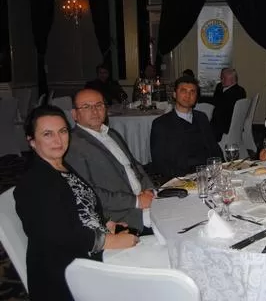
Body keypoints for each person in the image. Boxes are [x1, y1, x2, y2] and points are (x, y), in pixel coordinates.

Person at [14, 105, 138, 300]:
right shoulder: (32, 183)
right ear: (32, 141)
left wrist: (105, 224)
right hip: (67, 274)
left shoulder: (61, 167)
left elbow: (78, 207)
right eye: (47, 134)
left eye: (62, 131)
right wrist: (108, 241)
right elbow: (56, 235)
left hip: (87, 256)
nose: (58, 140)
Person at [65, 89, 155, 234]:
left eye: (99, 105)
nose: (94, 111)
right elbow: (89, 193)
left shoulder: (112, 133)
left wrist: (148, 189)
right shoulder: (73, 146)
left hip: (145, 200)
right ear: (75, 114)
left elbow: (135, 165)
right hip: (124, 217)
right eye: (86, 107)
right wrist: (136, 201)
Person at [151, 75, 223, 178]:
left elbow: (214, 148)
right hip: (180, 178)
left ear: (196, 97)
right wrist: (185, 178)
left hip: (208, 175)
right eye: (183, 91)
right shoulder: (161, 124)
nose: (188, 95)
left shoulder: (201, 118)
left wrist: (221, 168)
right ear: (174, 94)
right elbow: (159, 162)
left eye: (192, 92)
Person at [211, 68, 247, 141]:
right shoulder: (240, 90)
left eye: (224, 78)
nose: (221, 80)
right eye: (221, 78)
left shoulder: (234, 93)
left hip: (225, 125)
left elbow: (220, 108)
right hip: (230, 122)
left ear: (233, 80)